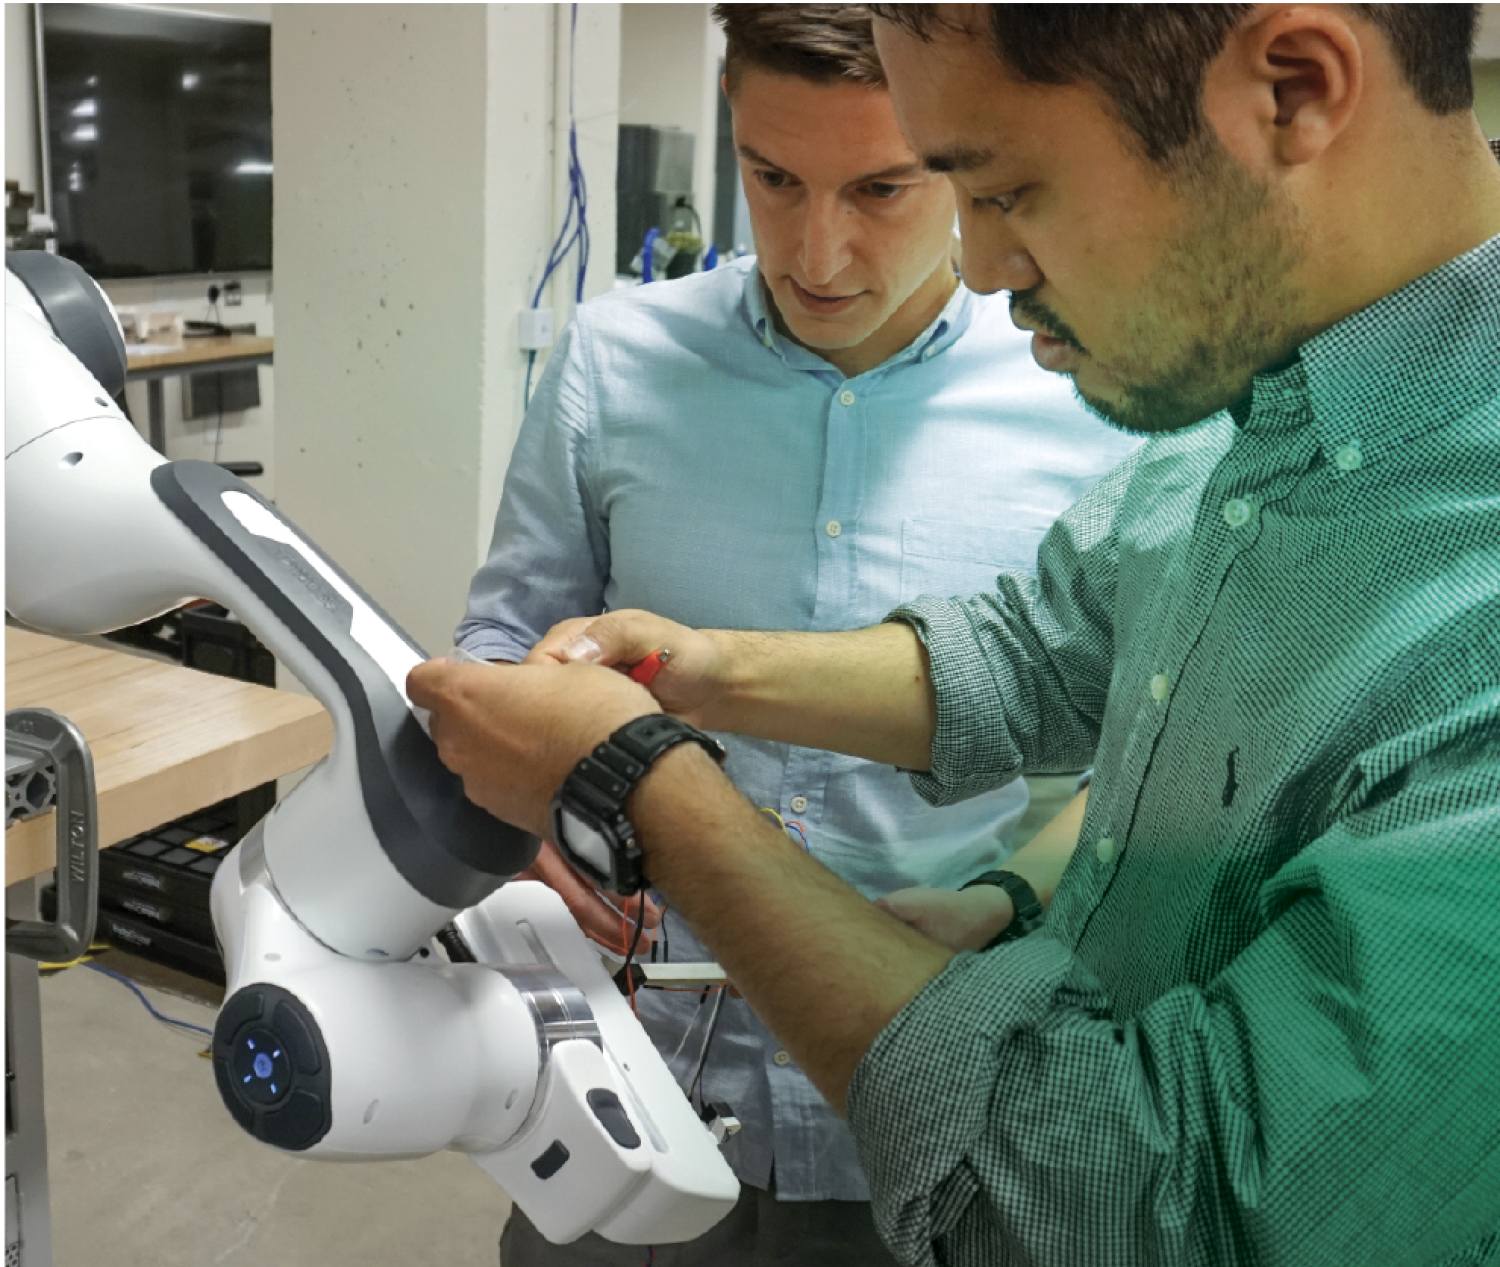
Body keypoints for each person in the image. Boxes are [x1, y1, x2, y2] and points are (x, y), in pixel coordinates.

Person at [412, 4, 1500, 1264]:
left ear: (1296, 91)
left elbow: (1151, 1200)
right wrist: (709, 673)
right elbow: (1035, 649)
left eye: (1003, 187)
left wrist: (640, 781)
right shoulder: (1242, 386)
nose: (977, 269)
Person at [452, 7, 1137, 1263]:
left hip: (923, 1092)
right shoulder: (616, 360)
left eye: (885, 186)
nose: (817, 248)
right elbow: (503, 646)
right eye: (773, 178)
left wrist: (1002, 893)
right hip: (622, 1076)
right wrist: (520, 823)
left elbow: (1136, 754)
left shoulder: (1088, 398)